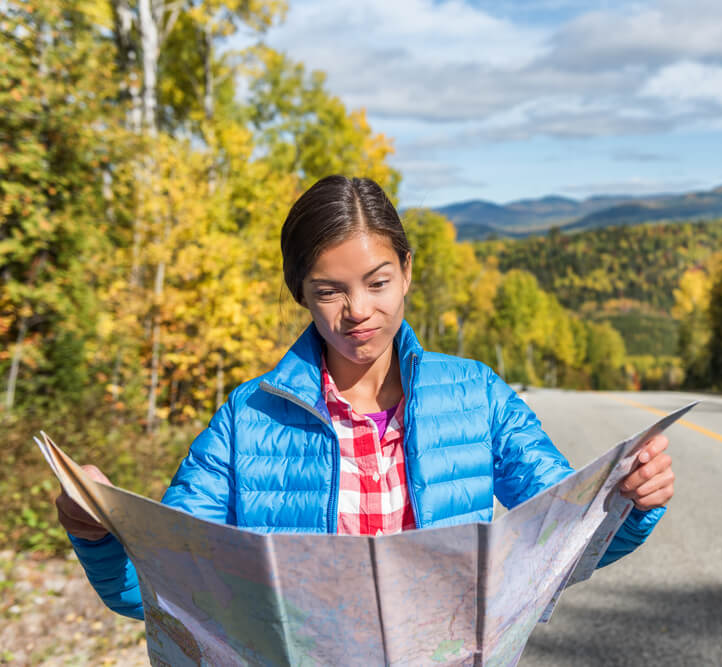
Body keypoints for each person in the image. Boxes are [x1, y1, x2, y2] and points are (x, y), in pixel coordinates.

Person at [56, 176, 675, 621]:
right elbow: (157, 588)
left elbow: (564, 541)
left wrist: (630, 501)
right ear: (300, 292)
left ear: (407, 270)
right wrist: (99, 533)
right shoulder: (247, 421)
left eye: (378, 283)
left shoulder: (477, 396)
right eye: (330, 290)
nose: (358, 311)